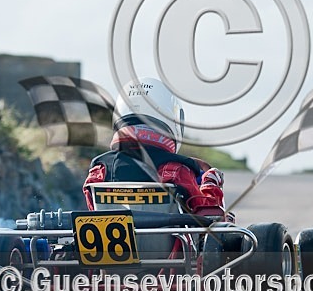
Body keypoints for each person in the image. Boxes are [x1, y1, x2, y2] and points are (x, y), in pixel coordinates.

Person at [82, 77, 228, 218]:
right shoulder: (176, 171)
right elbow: (208, 214)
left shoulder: (100, 170)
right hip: (169, 242)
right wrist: (211, 182)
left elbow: (94, 212)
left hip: (109, 243)